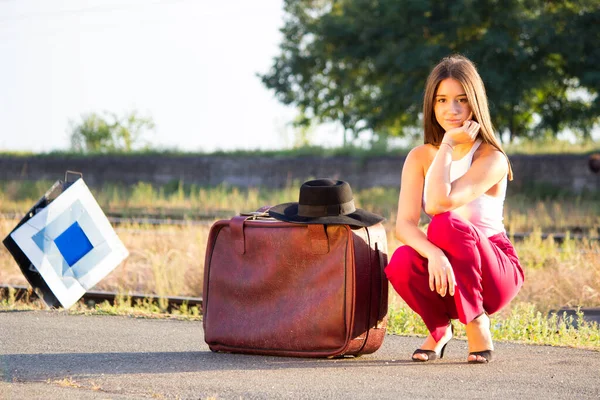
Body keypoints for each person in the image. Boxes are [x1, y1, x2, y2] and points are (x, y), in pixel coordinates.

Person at [384, 55, 524, 363]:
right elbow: (404, 226)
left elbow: (437, 204)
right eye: (443, 100)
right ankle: (438, 329)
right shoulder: (419, 157)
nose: (453, 110)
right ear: (431, 106)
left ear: (475, 104)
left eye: (462, 100)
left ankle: (476, 322)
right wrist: (433, 253)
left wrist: (447, 144)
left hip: (494, 272)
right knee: (402, 260)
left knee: (444, 223)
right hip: (448, 272)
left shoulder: (492, 157)